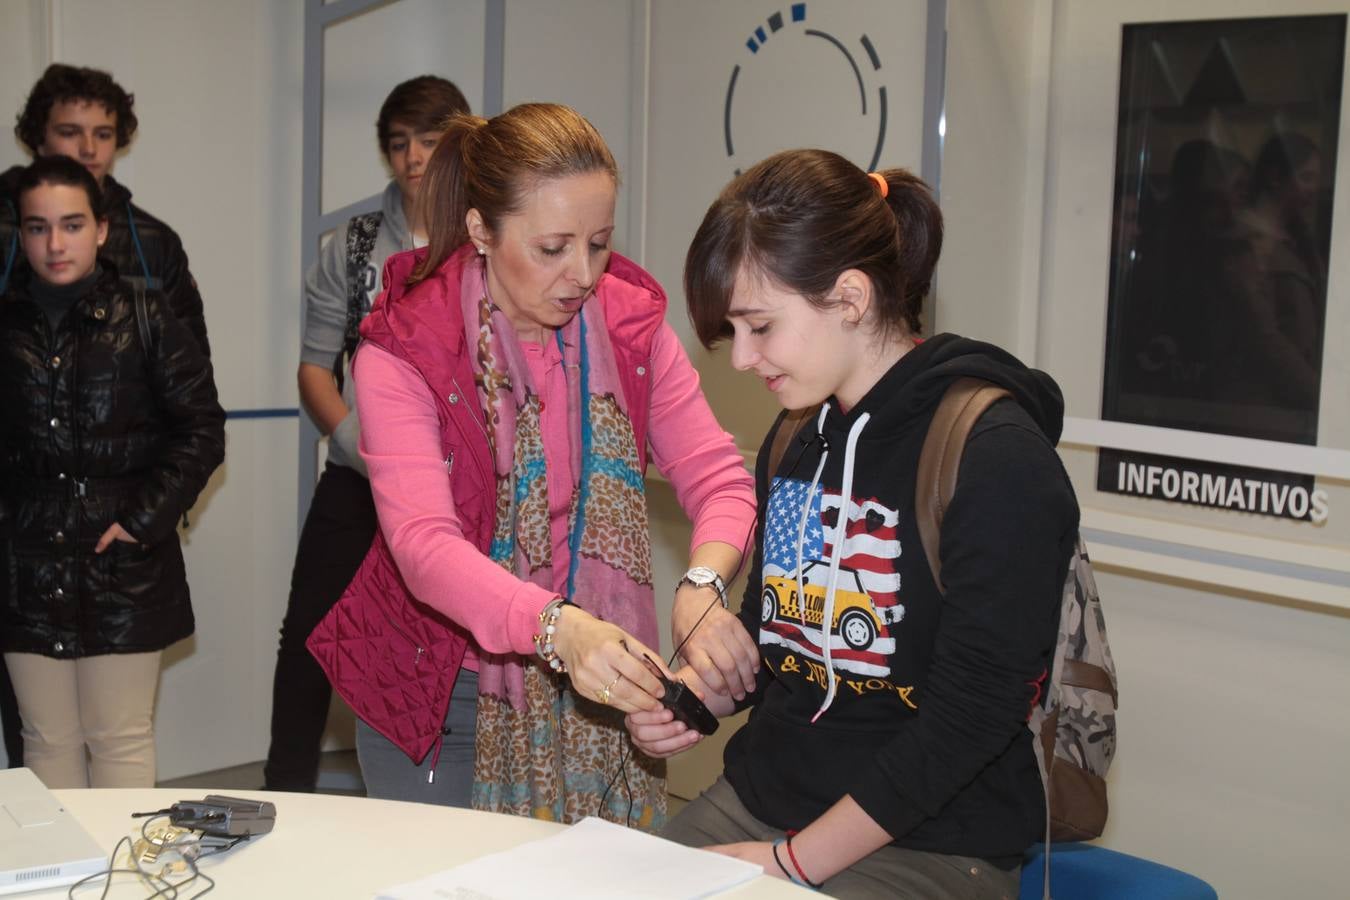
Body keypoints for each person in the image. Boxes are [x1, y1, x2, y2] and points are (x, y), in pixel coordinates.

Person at [626, 149, 1079, 898]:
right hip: (762, 804)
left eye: (760, 326)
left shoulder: (995, 456)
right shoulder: (794, 440)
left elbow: (972, 721)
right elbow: (778, 643)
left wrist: (790, 865)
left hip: (930, 845)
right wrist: (696, 698)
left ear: (851, 297)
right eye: (732, 331)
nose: (741, 358)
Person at [306, 103, 756, 828]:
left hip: (596, 683)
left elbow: (719, 476)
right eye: (553, 247)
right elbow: (424, 547)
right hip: (438, 692)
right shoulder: (408, 345)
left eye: (600, 243)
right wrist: (560, 630)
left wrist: (702, 585)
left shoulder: (628, 326)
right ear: (481, 230)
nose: (583, 274)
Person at [263, 74, 471, 794]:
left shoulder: (489, 232)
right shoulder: (352, 247)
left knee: (453, 639)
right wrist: (364, 449)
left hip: (466, 486)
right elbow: (315, 371)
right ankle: (284, 793)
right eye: (398, 143)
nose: (415, 157)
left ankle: (448, 791)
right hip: (358, 475)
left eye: (429, 138)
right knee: (309, 635)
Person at [0, 156, 224, 789]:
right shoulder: (5, 326)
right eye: (37, 227)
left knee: (120, 739)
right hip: (26, 563)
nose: (53, 242)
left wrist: (141, 520)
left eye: (70, 224)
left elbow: (202, 428)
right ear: (21, 234)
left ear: (101, 229)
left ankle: (124, 886)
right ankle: (61, 885)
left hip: (123, 563)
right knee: (45, 741)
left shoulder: (147, 316)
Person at [2, 63, 210, 356]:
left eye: (102, 134)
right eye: (70, 132)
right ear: (40, 138)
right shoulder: (5, 226)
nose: (88, 149)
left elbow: (189, 366)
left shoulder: (155, 242)